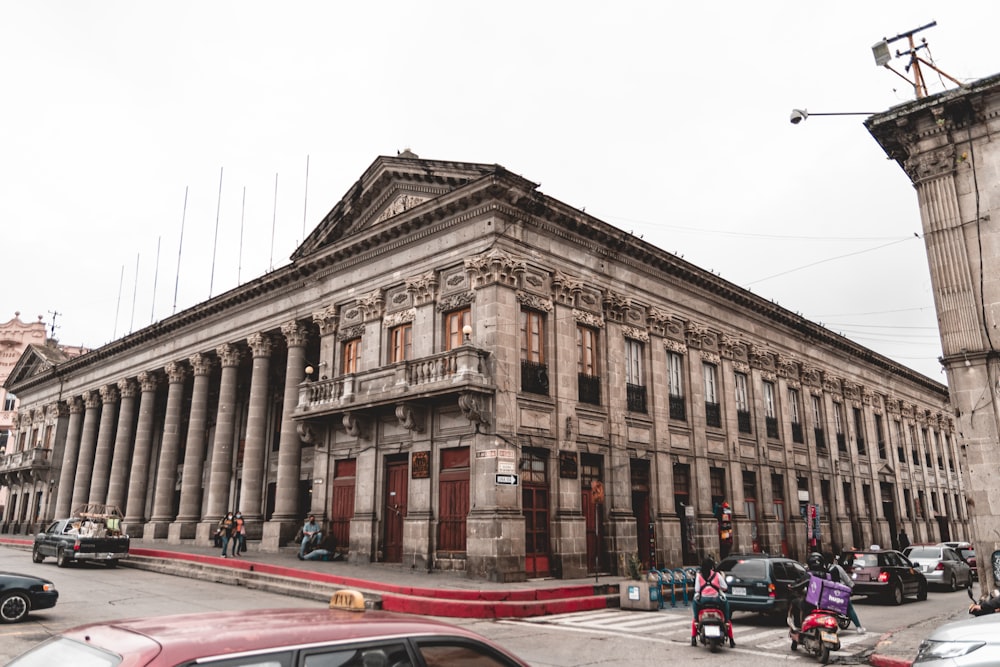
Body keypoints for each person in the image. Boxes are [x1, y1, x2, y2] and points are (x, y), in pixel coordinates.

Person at [690, 555, 735, 648]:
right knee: (726, 604)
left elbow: (697, 590)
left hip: (703, 600)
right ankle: (731, 638)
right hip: (716, 600)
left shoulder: (699, 576)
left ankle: (694, 634)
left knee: (694, 603)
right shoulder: (717, 575)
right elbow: (725, 587)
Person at [829, 552, 865, 633]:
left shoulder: (824, 569)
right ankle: (859, 627)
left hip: (828, 594)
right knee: (850, 608)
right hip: (840, 592)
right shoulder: (837, 568)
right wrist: (852, 586)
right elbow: (846, 579)